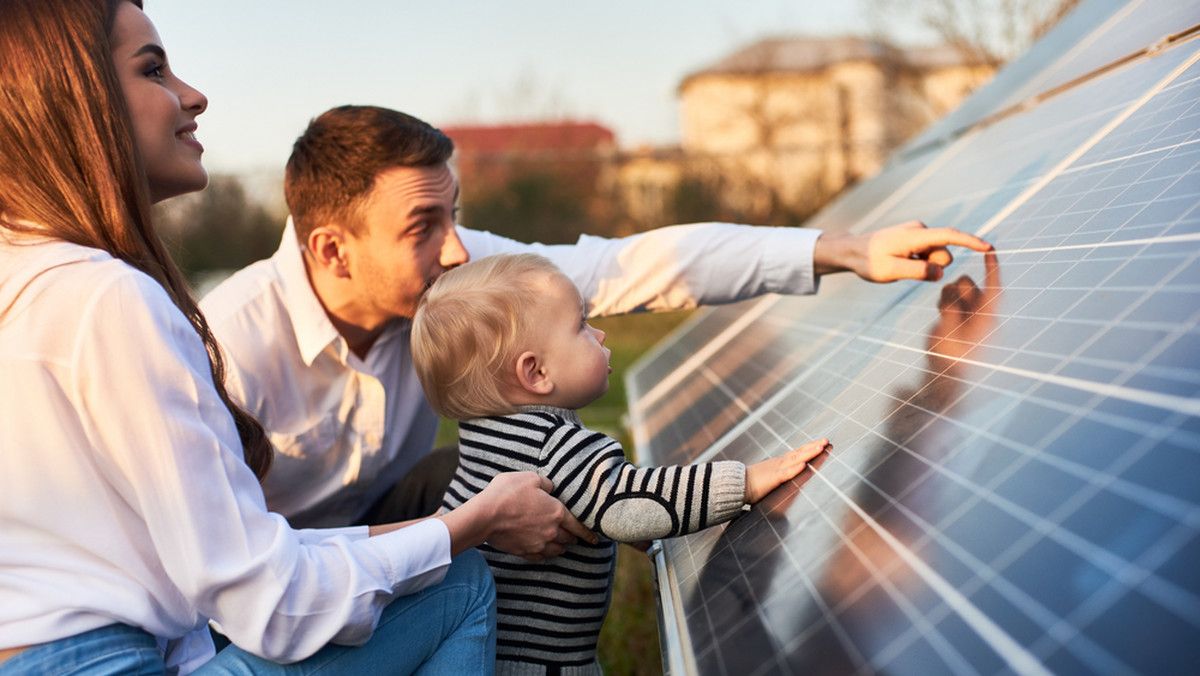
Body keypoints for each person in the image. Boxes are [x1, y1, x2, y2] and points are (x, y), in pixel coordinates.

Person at [0, 2, 589, 674]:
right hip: (111, 660)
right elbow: (272, 606)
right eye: (153, 69)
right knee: (459, 585)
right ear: (73, 102)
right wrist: (469, 528)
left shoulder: (24, 278)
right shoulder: (110, 298)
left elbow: (238, 569)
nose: (193, 95)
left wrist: (456, 523)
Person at [201, 104, 994, 530]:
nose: (455, 254)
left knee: (518, 471)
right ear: (333, 251)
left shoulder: (455, 272)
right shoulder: (228, 348)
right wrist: (458, 535)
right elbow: (222, 567)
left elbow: (628, 266)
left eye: (455, 217)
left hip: (390, 527)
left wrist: (842, 250)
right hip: (273, 588)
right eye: (422, 230)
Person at [409, 252, 833, 673]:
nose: (600, 334)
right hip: (542, 666)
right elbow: (630, 501)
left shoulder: (484, 438)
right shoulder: (554, 449)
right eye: (580, 325)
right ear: (536, 373)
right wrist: (747, 482)